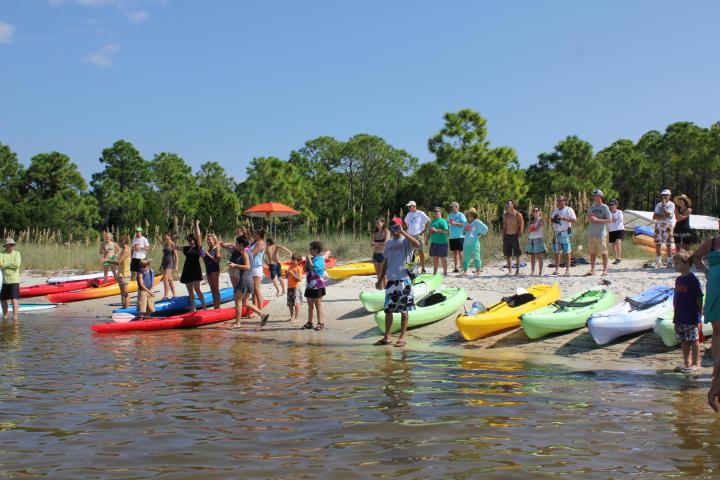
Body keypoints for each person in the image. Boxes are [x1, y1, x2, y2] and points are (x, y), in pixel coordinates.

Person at [373, 218, 421, 347]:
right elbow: (386, 262)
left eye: (397, 224)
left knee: (403, 310)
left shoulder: (406, 240)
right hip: (391, 281)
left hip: (404, 280)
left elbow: (417, 245)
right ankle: (387, 337)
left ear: (401, 225)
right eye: (393, 224)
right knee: (388, 310)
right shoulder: (389, 244)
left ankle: (402, 338)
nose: (394, 227)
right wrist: (380, 279)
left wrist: (403, 232)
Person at [689, 224, 720, 411]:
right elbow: (695, 257)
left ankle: (716, 377)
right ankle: (717, 364)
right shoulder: (713, 242)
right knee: (717, 329)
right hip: (715, 289)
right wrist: (707, 272)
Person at [227, 236, 269, 329]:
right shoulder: (248, 251)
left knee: (238, 302)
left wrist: (235, 265)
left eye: (237, 243)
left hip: (244, 280)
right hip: (250, 280)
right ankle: (262, 314)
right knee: (245, 303)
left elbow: (248, 267)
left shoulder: (245, 252)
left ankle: (237, 323)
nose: (235, 245)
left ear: (241, 244)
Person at [671, 252, 704, 372]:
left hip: (691, 316)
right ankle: (686, 362)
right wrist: (675, 317)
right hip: (680, 316)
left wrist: (700, 313)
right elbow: (676, 298)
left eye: (677, 263)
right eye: (674, 263)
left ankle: (696, 363)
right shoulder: (679, 279)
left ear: (686, 263)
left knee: (693, 340)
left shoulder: (692, 279)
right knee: (683, 340)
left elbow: (699, 297)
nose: (674, 265)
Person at [178, 220, 206, 313]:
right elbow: (175, 247)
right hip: (187, 269)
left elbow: (198, 236)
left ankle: (204, 307)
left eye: (191, 240)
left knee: (197, 289)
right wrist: (172, 239)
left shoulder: (198, 248)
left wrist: (196, 224)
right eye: (188, 240)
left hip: (195, 269)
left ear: (194, 240)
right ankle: (193, 307)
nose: (190, 242)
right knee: (190, 290)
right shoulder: (186, 248)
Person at [302, 241, 328, 331]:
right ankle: (310, 322)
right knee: (310, 305)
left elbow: (314, 269)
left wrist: (309, 260)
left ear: (316, 250)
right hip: (310, 285)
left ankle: (320, 323)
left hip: (318, 285)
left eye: (311, 248)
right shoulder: (312, 258)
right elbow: (305, 269)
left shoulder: (320, 259)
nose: (309, 250)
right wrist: (307, 260)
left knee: (318, 304)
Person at [586, 189, 612, 276]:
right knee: (592, 252)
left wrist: (597, 219)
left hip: (601, 233)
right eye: (593, 196)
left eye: (595, 195)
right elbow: (587, 218)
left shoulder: (605, 207)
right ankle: (592, 270)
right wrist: (590, 218)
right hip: (591, 233)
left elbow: (609, 220)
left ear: (600, 196)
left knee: (604, 252)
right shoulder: (592, 207)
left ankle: (605, 270)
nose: (593, 197)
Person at [550, 196, 577, 276]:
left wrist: (563, 218)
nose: (559, 202)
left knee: (567, 251)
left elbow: (575, 220)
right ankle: (557, 269)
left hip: (566, 232)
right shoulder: (555, 210)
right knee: (556, 251)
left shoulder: (569, 209)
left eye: (561, 200)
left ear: (564, 201)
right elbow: (552, 219)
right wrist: (554, 219)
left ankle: (568, 270)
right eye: (558, 200)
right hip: (556, 232)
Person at [403, 201, 430, 274]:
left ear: (414, 206)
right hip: (410, 235)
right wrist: (406, 231)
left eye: (410, 206)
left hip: (418, 235)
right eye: (408, 207)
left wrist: (424, 230)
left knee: (420, 251)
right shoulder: (409, 214)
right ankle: (410, 269)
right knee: (410, 252)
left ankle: (423, 269)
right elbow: (405, 222)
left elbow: (428, 220)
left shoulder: (420, 213)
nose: (409, 208)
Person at [653, 189, 676, 268]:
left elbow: (667, 215)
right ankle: (658, 261)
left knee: (668, 243)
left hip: (668, 225)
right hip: (658, 225)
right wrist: (662, 216)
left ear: (669, 196)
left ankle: (669, 261)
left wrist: (663, 206)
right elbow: (654, 217)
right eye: (663, 195)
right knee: (658, 243)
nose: (664, 196)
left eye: (666, 195)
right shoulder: (658, 204)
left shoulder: (671, 204)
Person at [462, 208, 488, 275]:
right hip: (466, 242)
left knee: (476, 256)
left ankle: (478, 270)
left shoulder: (477, 221)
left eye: (470, 213)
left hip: (474, 242)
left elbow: (485, 228)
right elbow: (463, 233)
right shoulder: (465, 223)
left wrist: (480, 234)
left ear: (473, 215)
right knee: (466, 257)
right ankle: (465, 271)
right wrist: (465, 230)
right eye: (468, 214)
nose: (469, 215)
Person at [0, 238, 21, 322]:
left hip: (14, 280)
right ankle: (5, 316)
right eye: (11, 245)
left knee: (14, 299)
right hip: (5, 281)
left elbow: (17, 265)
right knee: (3, 299)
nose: (13, 246)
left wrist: (6, 264)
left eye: (13, 245)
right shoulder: (1, 253)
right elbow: (1, 265)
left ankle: (15, 317)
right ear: (6, 246)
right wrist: (10, 263)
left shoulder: (17, 253)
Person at [502, 200, 524, 276]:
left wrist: (520, 234)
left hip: (515, 235)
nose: (508, 205)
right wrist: (503, 236)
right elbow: (504, 226)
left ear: (513, 205)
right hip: (507, 235)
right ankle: (510, 271)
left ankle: (517, 271)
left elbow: (521, 224)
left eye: (510, 203)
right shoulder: (505, 215)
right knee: (507, 254)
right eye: (507, 204)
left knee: (517, 254)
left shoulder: (518, 214)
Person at [427, 207, 449, 276]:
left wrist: (436, 230)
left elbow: (446, 231)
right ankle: (434, 272)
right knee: (435, 258)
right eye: (435, 211)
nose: (436, 212)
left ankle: (445, 273)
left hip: (442, 243)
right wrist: (426, 240)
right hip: (434, 242)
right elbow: (429, 231)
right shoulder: (432, 221)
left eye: (437, 211)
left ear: (440, 212)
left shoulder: (442, 221)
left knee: (443, 258)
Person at [202, 233, 222, 309]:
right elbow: (205, 260)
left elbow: (217, 260)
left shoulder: (217, 248)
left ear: (214, 240)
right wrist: (203, 255)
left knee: (216, 289)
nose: (208, 241)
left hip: (214, 270)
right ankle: (215, 307)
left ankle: (218, 307)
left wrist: (208, 255)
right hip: (208, 270)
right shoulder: (208, 250)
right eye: (207, 240)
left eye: (210, 240)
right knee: (212, 290)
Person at [525, 207, 547, 276]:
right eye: (533, 211)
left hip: (538, 238)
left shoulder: (541, 219)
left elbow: (539, 229)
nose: (535, 212)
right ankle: (532, 271)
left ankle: (540, 272)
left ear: (539, 212)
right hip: (531, 238)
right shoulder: (531, 220)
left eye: (536, 210)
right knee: (532, 256)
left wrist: (532, 228)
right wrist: (532, 228)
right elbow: (528, 230)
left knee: (540, 256)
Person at [248, 229, 266, 311]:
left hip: (256, 267)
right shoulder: (254, 242)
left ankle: (260, 310)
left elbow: (252, 254)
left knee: (256, 289)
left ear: (258, 234)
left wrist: (243, 253)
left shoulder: (260, 243)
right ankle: (255, 310)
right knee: (253, 290)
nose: (253, 234)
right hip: (252, 267)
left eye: (254, 233)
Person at [447, 202, 466, 273]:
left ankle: (462, 267)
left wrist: (455, 223)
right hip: (452, 237)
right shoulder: (450, 215)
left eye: (453, 207)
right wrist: (448, 225)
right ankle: (455, 267)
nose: (451, 208)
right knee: (454, 253)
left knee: (460, 252)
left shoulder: (461, 215)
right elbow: (447, 224)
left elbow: (464, 224)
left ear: (457, 207)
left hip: (460, 236)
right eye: (451, 207)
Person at [114, 235, 132, 309]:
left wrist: (108, 261)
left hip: (125, 274)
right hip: (121, 273)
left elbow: (118, 262)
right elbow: (118, 259)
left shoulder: (126, 250)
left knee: (125, 293)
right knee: (122, 293)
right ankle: (123, 307)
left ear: (123, 242)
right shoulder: (122, 250)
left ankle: (127, 308)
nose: (118, 243)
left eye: (120, 241)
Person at [371, 218, 390, 289]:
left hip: (383, 254)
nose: (377, 224)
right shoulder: (374, 233)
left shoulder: (386, 232)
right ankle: (380, 291)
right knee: (378, 275)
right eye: (376, 223)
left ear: (383, 223)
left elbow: (386, 243)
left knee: (384, 275)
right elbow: (372, 245)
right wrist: (379, 244)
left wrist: (376, 244)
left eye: (378, 223)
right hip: (375, 254)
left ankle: (386, 291)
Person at [160, 233, 178, 300]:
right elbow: (163, 256)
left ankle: (166, 296)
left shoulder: (172, 244)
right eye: (164, 236)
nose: (164, 237)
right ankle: (174, 295)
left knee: (165, 279)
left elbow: (176, 256)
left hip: (170, 263)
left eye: (165, 236)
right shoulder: (165, 244)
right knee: (170, 280)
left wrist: (176, 265)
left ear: (169, 236)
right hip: (165, 263)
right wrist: (161, 265)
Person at [286, 254, 303, 322]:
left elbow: (299, 279)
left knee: (296, 303)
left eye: (294, 260)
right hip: (289, 287)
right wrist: (287, 273)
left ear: (298, 261)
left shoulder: (299, 268)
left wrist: (292, 274)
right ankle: (292, 316)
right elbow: (287, 277)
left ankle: (296, 318)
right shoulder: (290, 267)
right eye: (292, 259)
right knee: (290, 303)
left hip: (295, 287)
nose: (292, 261)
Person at [607, 199, 625, 265]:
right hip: (611, 230)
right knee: (613, 245)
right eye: (610, 204)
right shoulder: (608, 213)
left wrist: (611, 220)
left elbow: (620, 220)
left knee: (618, 243)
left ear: (616, 205)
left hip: (619, 230)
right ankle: (616, 258)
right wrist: (612, 220)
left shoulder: (619, 211)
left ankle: (618, 258)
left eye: (612, 204)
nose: (611, 206)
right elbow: (608, 221)